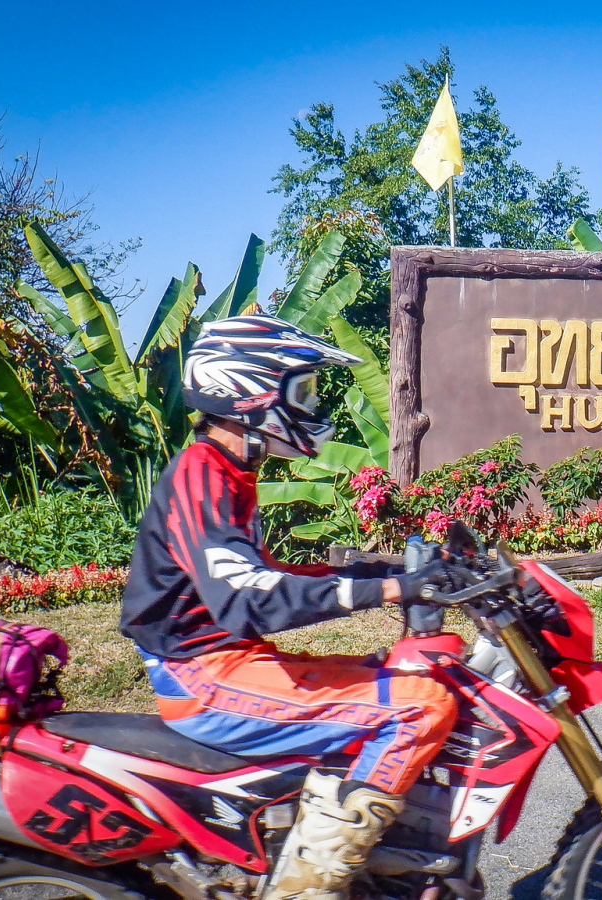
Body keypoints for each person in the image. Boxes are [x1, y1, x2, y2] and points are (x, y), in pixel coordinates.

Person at [120, 315, 458, 900]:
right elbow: (250, 599)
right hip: (205, 677)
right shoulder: (201, 476)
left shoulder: (226, 471)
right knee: (422, 708)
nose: (312, 406)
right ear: (247, 394)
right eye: (301, 392)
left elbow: (270, 576)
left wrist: (384, 574)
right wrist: (391, 590)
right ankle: (307, 888)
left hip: (228, 661)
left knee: (400, 673)